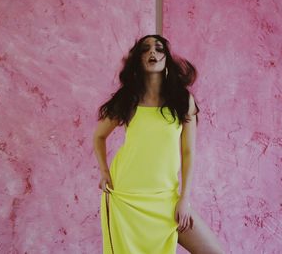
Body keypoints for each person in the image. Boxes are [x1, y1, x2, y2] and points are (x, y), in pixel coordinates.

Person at [93, 34, 224, 254]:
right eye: (145, 49)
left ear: (166, 58)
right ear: (138, 60)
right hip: (127, 199)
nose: (152, 52)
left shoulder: (183, 101)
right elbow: (98, 137)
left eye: (159, 48)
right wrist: (105, 172)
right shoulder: (129, 100)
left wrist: (185, 199)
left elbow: (188, 152)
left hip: (166, 199)